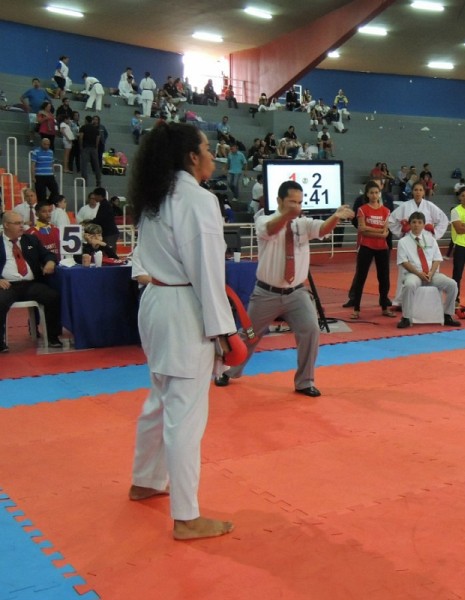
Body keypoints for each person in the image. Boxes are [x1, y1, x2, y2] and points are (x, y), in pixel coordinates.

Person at [127, 121, 238, 540]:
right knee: (185, 416)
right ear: (192, 157)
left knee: (160, 399)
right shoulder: (197, 199)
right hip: (183, 309)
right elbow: (207, 271)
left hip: (156, 303)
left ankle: (145, 480)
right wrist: (223, 331)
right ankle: (187, 517)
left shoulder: (155, 195)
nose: (213, 155)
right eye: (208, 149)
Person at [214, 181, 355, 395]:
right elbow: (271, 229)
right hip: (265, 294)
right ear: (279, 201)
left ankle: (305, 382)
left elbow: (322, 229)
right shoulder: (264, 220)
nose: (296, 206)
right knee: (249, 335)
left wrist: (335, 216)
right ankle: (229, 370)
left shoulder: (303, 224)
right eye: (292, 202)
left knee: (311, 330)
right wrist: (287, 216)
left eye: (299, 202)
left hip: (297, 293)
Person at [0, 211, 62, 351]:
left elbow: (48, 254)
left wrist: (50, 262)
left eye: (22, 223)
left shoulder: (30, 240)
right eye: (17, 223)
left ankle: (53, 337)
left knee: (53, 296)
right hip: (7, 285)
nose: (22, 226)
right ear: (6, 225)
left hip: (30, 284)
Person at [396, 212, 461, 330]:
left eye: (419, 222)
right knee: (409, 285)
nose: (416, 225)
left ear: (424, 225)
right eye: (414, 222)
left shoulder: (431, 240)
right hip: (413, 274)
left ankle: (447, 315)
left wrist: (431, 272)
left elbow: (437, 259)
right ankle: (406, 317)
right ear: (409, 224)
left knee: (452, 284)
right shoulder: (403, 242)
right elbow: (404, 262)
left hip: (431, 274)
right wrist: (418, 273)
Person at [350, 181, 393, 319]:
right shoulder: (362, 209)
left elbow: (385, 233)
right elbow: (362, 230)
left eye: (376, 192)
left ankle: (384, 307)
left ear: (379, 194)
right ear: (367, 194)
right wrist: (379, 231)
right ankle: (356, 308)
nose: (374, 195)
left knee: (384, 278)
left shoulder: (386, 211)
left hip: (382, 248)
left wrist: (371, 229)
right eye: (371, 193)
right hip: (366, 247)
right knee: (361, 277)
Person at [30, 137, 59, 205]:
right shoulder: (36, 152)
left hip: (50, 175)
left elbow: (51, 164)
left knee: (55, 191)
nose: (46, 146)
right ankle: (43, 205)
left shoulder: (51, 152)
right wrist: (33, 176)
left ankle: (47, 203)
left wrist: (53, 173)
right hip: (39, 176)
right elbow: (33, 165)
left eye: (48, 144)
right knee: (41, 195)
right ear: (41, 143)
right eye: (45, 144)